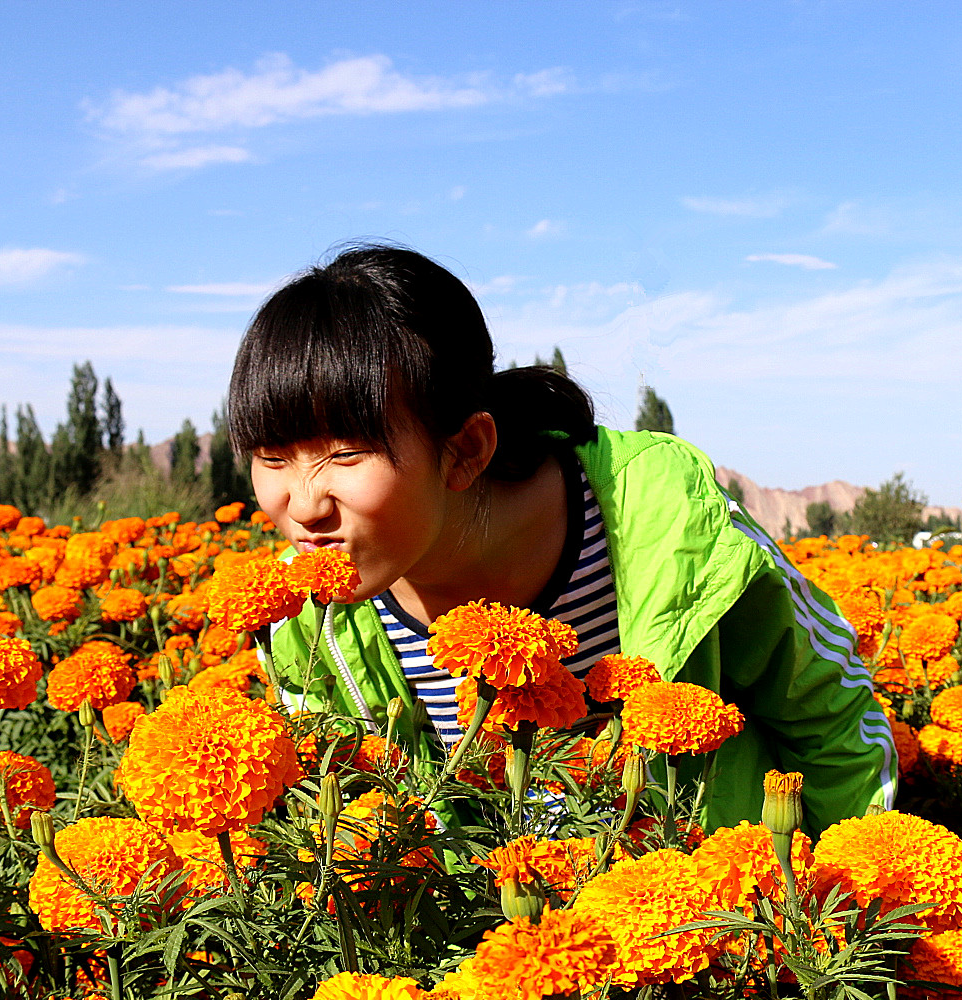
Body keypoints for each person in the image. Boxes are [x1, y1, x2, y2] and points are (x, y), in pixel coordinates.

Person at [227, 244, 893, 834]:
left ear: (465, 450)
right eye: (273, 456)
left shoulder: (666, 522)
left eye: (346, 454)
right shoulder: (304, 629)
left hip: (721, 925)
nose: (304, 504)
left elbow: (832, 719)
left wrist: (838, 922)